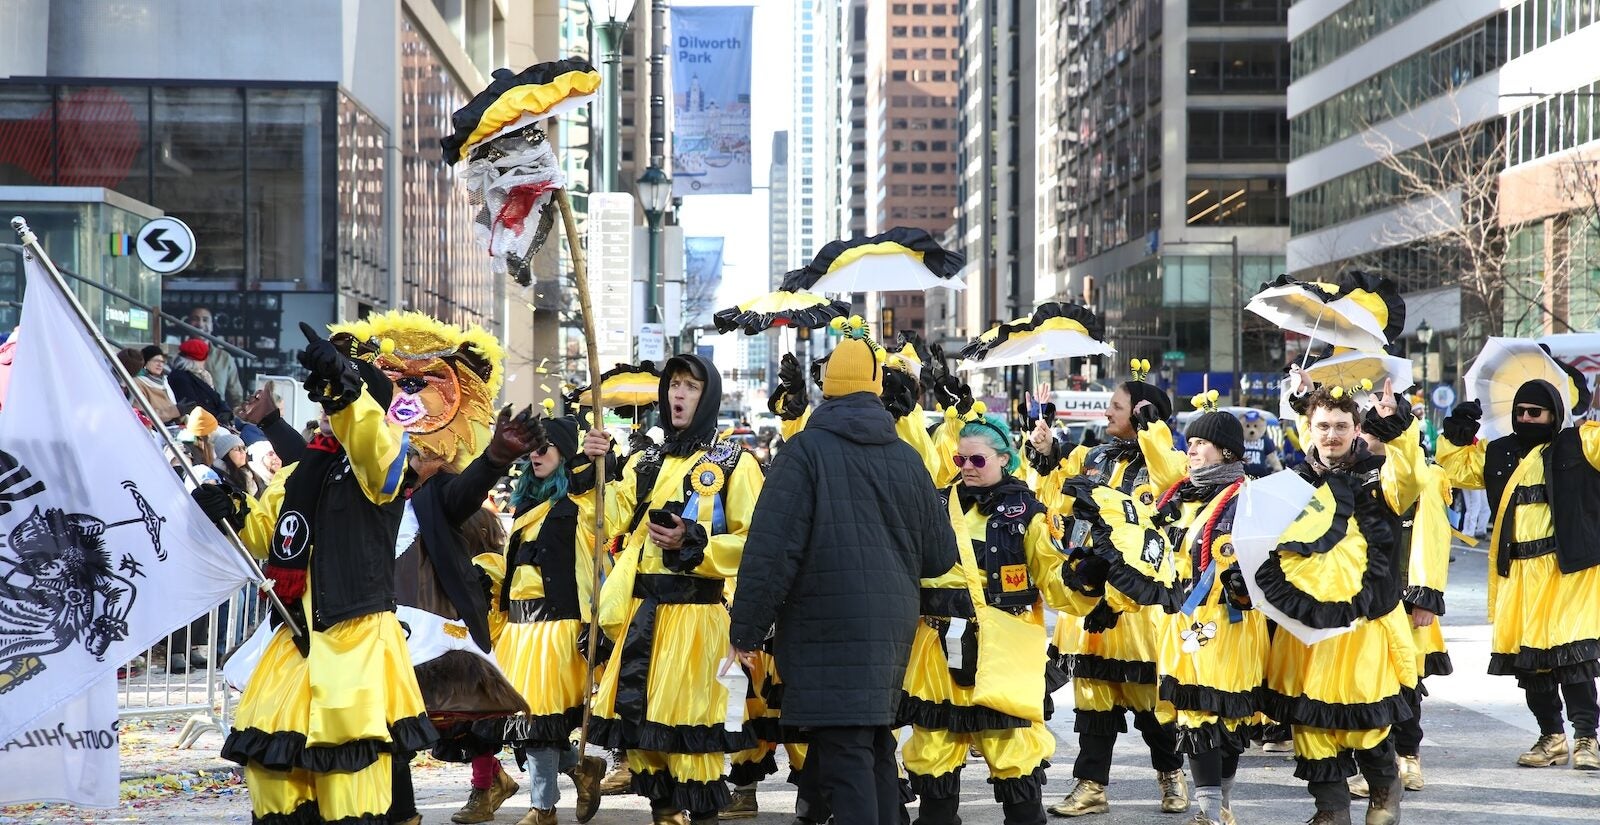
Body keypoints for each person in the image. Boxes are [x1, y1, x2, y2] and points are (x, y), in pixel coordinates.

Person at [197, 324, 433, 824]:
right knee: (271, 769)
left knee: (347, 778)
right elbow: (268, 536)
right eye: (323, 400)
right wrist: (231, 510)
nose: (327, 409)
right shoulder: (299, 472)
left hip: (355, 640)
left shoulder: (381, 461)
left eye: (335, 399)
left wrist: (349, 387)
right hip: (296, 637)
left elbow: (370, 443)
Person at [729, 335, 958, 825]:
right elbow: (940, 557)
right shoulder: (907, 459)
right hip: (891, 629)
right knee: (873, 745)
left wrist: (746, 629)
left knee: (846, 757)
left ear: (827, 388)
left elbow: (770, 553)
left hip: (823, 629)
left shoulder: (803, 453)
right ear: (876, 388)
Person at [583, 353, 764, 825]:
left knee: (692, 742)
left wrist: (694, 540)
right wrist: (594, 465)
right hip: (643, 618)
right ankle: (665, 816)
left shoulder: (734, 463)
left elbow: (756, 541)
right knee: (645, 744)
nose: (678, 395)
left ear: (709, 398)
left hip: (698, 620)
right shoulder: (645, 459)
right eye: (673, 385)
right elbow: (607, 518)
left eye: (691, 387)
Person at [897, 412, 1076, 825]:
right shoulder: (937, 503)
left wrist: (1085, 576)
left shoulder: (1031, 514)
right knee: (935, 750)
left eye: (977, 461)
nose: (967, 469)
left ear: (1005, 460)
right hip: (936, 652)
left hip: (1000, 650)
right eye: (961, 461)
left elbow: (1056, 585)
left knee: (1012, 752)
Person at [1027, 374, 1188, 818]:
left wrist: (1153, 431)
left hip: (1137, 608)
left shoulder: (1163, 464)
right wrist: (1045, 453)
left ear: (1139, 413)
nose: (1107, 411)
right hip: (1089, 597)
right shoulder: (1093, 455)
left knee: (1150, 702)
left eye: (1117, 405)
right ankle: (1091, 786)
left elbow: (1174, 481)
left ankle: (1172, 775)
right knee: (1093, 701)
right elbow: (1057, 499)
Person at [1267, 380, 1422, 825]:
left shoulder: (1381, 475)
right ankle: (1331, 810)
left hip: (1366, 623)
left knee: (1365, 716)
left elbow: (1410, 478)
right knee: (1311, 723)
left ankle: (1383, 792)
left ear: (1357, 428)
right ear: (1309, 430)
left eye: (1340, 425)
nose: (1331, 435)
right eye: (1322, 426)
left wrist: (1396, 426)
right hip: (1307, 626)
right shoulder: (1296, 483)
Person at [1437, 380, 1600, 771]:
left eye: (1534, 412)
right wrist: (1455, 436)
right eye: (1520, 412)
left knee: (1570, 654)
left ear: (1554, 415)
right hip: (1518, 574)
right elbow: (1454, 470)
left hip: (1567, 570)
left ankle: (1586, 739)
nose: (1525, 418)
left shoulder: (1579, 443)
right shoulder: (1499, 451)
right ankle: (1552, 737)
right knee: (1531, 663)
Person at [495, 415, 611, 825]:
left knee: (538, 719)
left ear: (564, 453)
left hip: (558, 625)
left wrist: (596, 457)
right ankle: (581, 767)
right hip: (519, 629)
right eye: (531, 449)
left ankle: (543, 807)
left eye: (544, 447)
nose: (535, 454)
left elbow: (605, 504)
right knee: (528, 723)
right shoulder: (524, 505)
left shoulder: (581, 505)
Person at [1151, 408, 1264, 825]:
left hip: (1231, 621)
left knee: (1228, 716)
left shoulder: (1248, 497)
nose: (1191, 448)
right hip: (1184, 621)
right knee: (1194, 714)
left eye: (1201, 442)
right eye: (1190, 441)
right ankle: (1208, 812)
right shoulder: (1179, 495)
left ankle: (1222, 806)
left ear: (1226, 451)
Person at [186, 305, 245, 406]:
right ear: (187, 324)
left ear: (212, 325)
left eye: (205, 320)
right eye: (195, 319)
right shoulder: (175, 356)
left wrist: (235, 418)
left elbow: (236, 397)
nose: (200, 324)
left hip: (217, 417)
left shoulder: (225, 358)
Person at [169, 337, 231, 424]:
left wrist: (225, 411)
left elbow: (217, 399)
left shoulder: (203, 375)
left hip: (214, 422)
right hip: (201, 425)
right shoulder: (180, 377)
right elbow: (193, 406)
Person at [135, 345, 181, 425]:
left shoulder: (164, 382)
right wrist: (176, 411)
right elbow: (143, 415)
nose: (160, 364)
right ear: (146, 362)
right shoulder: (138, 383)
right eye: (156, 361)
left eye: (162, 361)